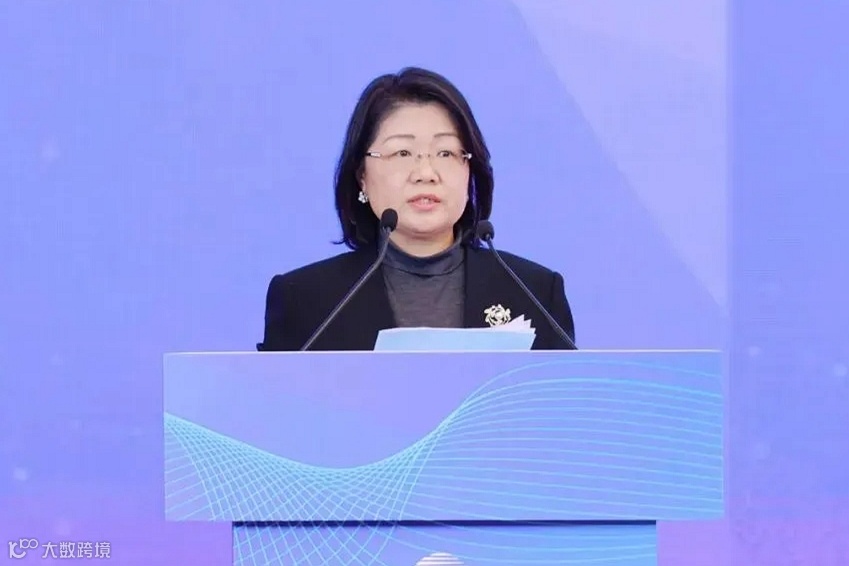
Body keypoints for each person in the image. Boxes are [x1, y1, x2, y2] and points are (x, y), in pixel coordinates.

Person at [259, 67, 576, 351]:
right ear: (362, 177)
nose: (426, 172)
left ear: (470, 169)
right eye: (402, 153)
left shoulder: (535, 293)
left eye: (445, 153)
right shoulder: (305, 300)